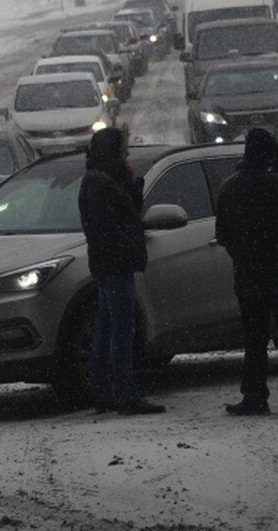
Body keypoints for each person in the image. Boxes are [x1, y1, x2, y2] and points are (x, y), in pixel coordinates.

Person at [215, 128, 278, 415]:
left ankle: (255, 396)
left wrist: (244, 252)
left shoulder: (231, 188)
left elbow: (222, 234)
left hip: (249, 273)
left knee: (254, 338)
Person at [77, 127, 165, 416]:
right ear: (112, 152)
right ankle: (125, 393)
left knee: (107, 327)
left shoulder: (100, 179)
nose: (127, 153)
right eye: (122, 149)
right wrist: (128, 247)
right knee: (121, 330)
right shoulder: (100, 183)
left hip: (108, 264)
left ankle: (105, 390)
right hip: (114, 265)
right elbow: (113, 226)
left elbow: (123, 216)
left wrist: (130, 182)